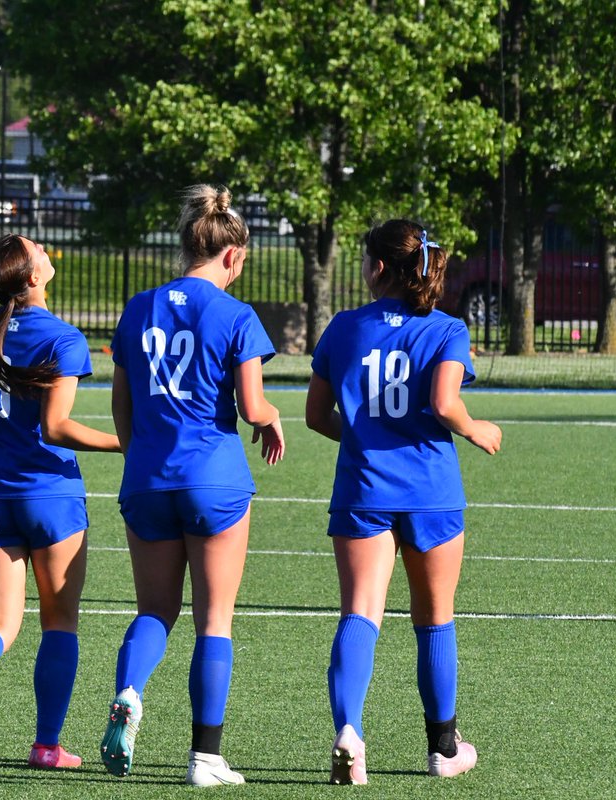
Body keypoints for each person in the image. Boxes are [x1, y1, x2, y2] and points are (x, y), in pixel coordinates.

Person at [305, 219, 502, 785]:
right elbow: (444, 402)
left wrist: (366, 436)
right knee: (434, 618)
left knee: (360, 611)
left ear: (378, 268)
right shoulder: (446, 329)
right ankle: (443, 747)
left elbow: (317, 416)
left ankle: (348, 731)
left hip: (364, 490)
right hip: (430, 493)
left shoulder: (343, 328)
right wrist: (474, 427)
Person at [101, 184, 285, 786]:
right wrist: (272, 417)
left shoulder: (138, 307)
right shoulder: (236, 314)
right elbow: (253, 406)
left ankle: (129, 691)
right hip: (214, 480)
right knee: (215, 621)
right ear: (231, 256)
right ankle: (205, 758)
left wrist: (142, 457)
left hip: (147, 479)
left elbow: (121, 406)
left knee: (155, 610)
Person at [0, 232, 122, 773]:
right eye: (36, 248)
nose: (43, 249)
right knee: (59, 621)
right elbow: (55, 428)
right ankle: (46, 745)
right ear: (31, 277)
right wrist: (125, 441)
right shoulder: (63, 338)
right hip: (51, 497)